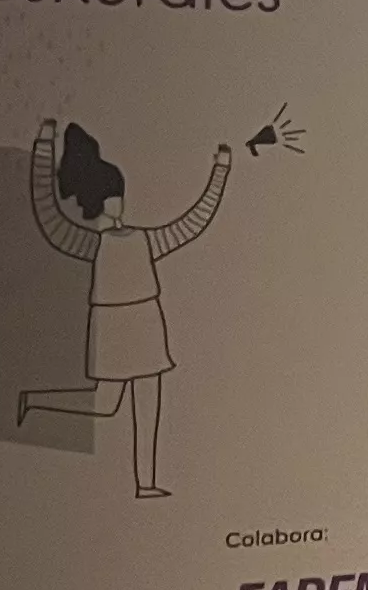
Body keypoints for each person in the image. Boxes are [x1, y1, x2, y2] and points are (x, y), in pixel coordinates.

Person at [21, 119, 235, 500]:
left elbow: (192, 223)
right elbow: (49, 215)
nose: (121, 202)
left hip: (148, 326)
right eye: (115, 194)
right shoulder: (90, 244)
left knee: (150, 406)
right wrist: (43, 148)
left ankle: (145, 483)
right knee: (105, 405)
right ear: (101, 201)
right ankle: (33, 400)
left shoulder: (144, 240)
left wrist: (220, 171)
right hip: (113, 328)